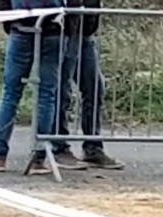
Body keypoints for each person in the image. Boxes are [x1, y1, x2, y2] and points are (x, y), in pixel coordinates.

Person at [0, 0, 87, 175]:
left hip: (21, 28)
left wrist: (10, 21)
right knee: (46, 94)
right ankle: (39, 157)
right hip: (54, 29)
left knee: (11, 93)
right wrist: (69, 29)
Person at [50, 0, 124, 170]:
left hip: (85, 30)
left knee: (94, 87)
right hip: (65, 30)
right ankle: (59, 147)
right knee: (62, 89)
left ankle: (93, 147)